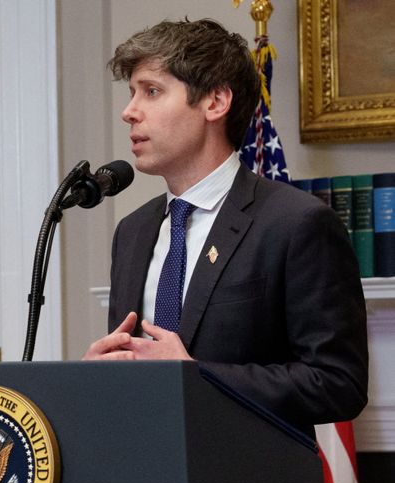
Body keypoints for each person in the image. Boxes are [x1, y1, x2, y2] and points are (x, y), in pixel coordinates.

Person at [83, 19, 368, 434]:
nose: (129, 112)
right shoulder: (133, 231)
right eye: (132, 94)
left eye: (152, 91)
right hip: (148, 478)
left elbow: (338, 383)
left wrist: (197, 376)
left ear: (215, 102)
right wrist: (99, 373)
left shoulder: (296, 223)